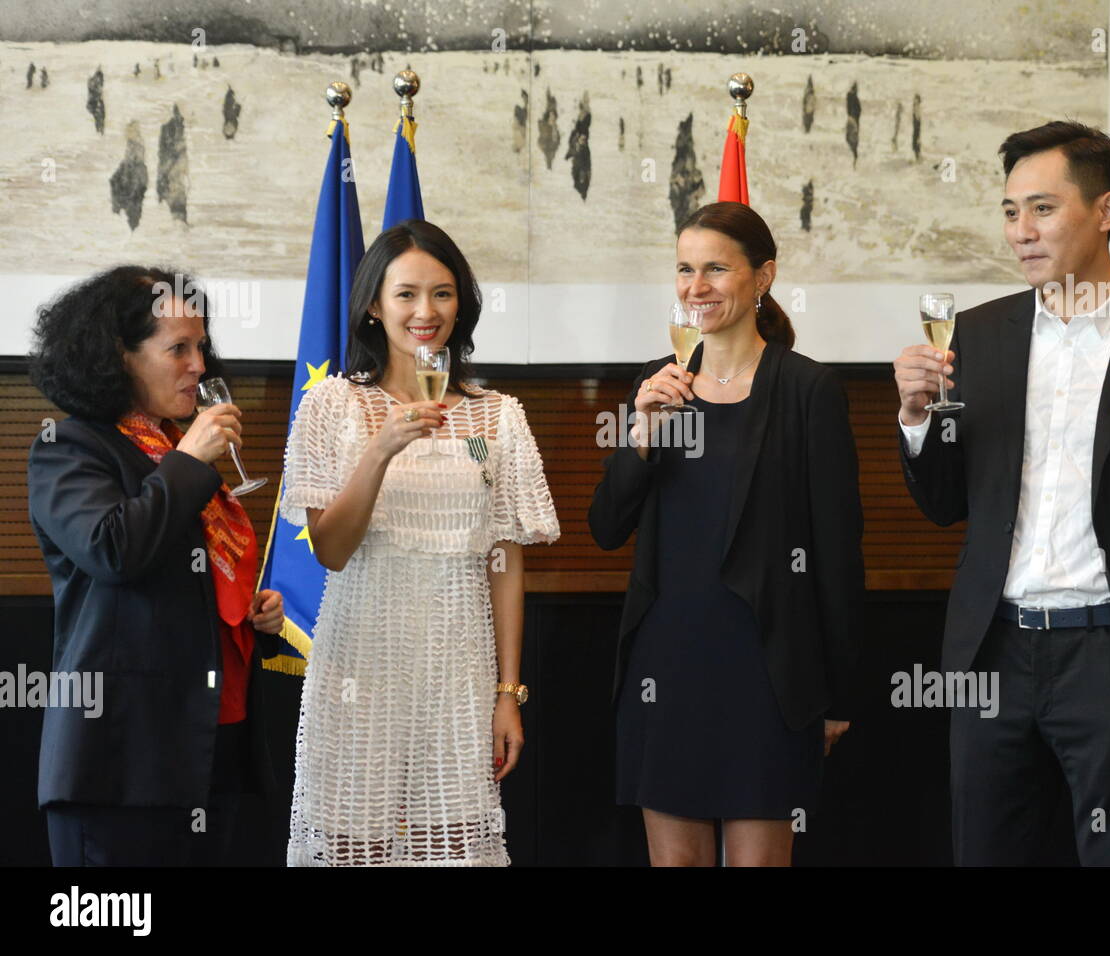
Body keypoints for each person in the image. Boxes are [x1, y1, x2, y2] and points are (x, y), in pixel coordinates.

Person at [893, 120, 1110, 865]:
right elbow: (943, 504)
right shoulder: (977, 336)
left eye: (1043, 209)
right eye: (1010, 211)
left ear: (1106, 211)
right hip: (993, 654)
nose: (1022, 231)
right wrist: (918, 419)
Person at [588, 201, 865, 866]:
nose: (697, 285)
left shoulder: (808, 390)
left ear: (763, 276)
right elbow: (605, 527)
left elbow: (837, 553)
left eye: (716, 267)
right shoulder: (659, 385)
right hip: (670, 662)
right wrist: (642, 435)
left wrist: (836, 694)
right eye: (685, 269)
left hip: (768, 671)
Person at [281, 219, 559, 866]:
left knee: (456, 846)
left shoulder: (498, 416)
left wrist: (507, 693)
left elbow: (504, 559)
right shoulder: (332, 407)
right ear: (374, 305)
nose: (425, 312)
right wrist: (380, 448)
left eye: (443, 293)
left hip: (460, 664)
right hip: (360, 662)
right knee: (352, 843)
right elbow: (331, 550)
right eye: (406, 294)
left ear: (461, 303)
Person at [27, 265, 285, 866]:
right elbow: (114, 551)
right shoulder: (68, 447)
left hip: (214, 748)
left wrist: (251, 615)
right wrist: (191, 459)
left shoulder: (174, 449)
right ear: (120, 356)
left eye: (201, 346)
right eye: (178, 349)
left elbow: (191, 579)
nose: (200, 364)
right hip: (121, 763)